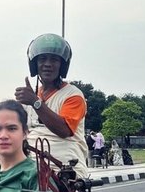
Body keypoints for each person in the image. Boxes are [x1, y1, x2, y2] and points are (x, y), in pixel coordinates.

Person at [11, 33, 88, 173]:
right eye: (42, 59)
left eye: (54, 60)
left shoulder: (73, 95)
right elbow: (12, 138)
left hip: (64, 170)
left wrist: (35, 102)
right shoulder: (28, 99)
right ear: (34, 65)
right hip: (29, 167)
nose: (47, 64)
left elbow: (64, 130)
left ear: (62, 65)